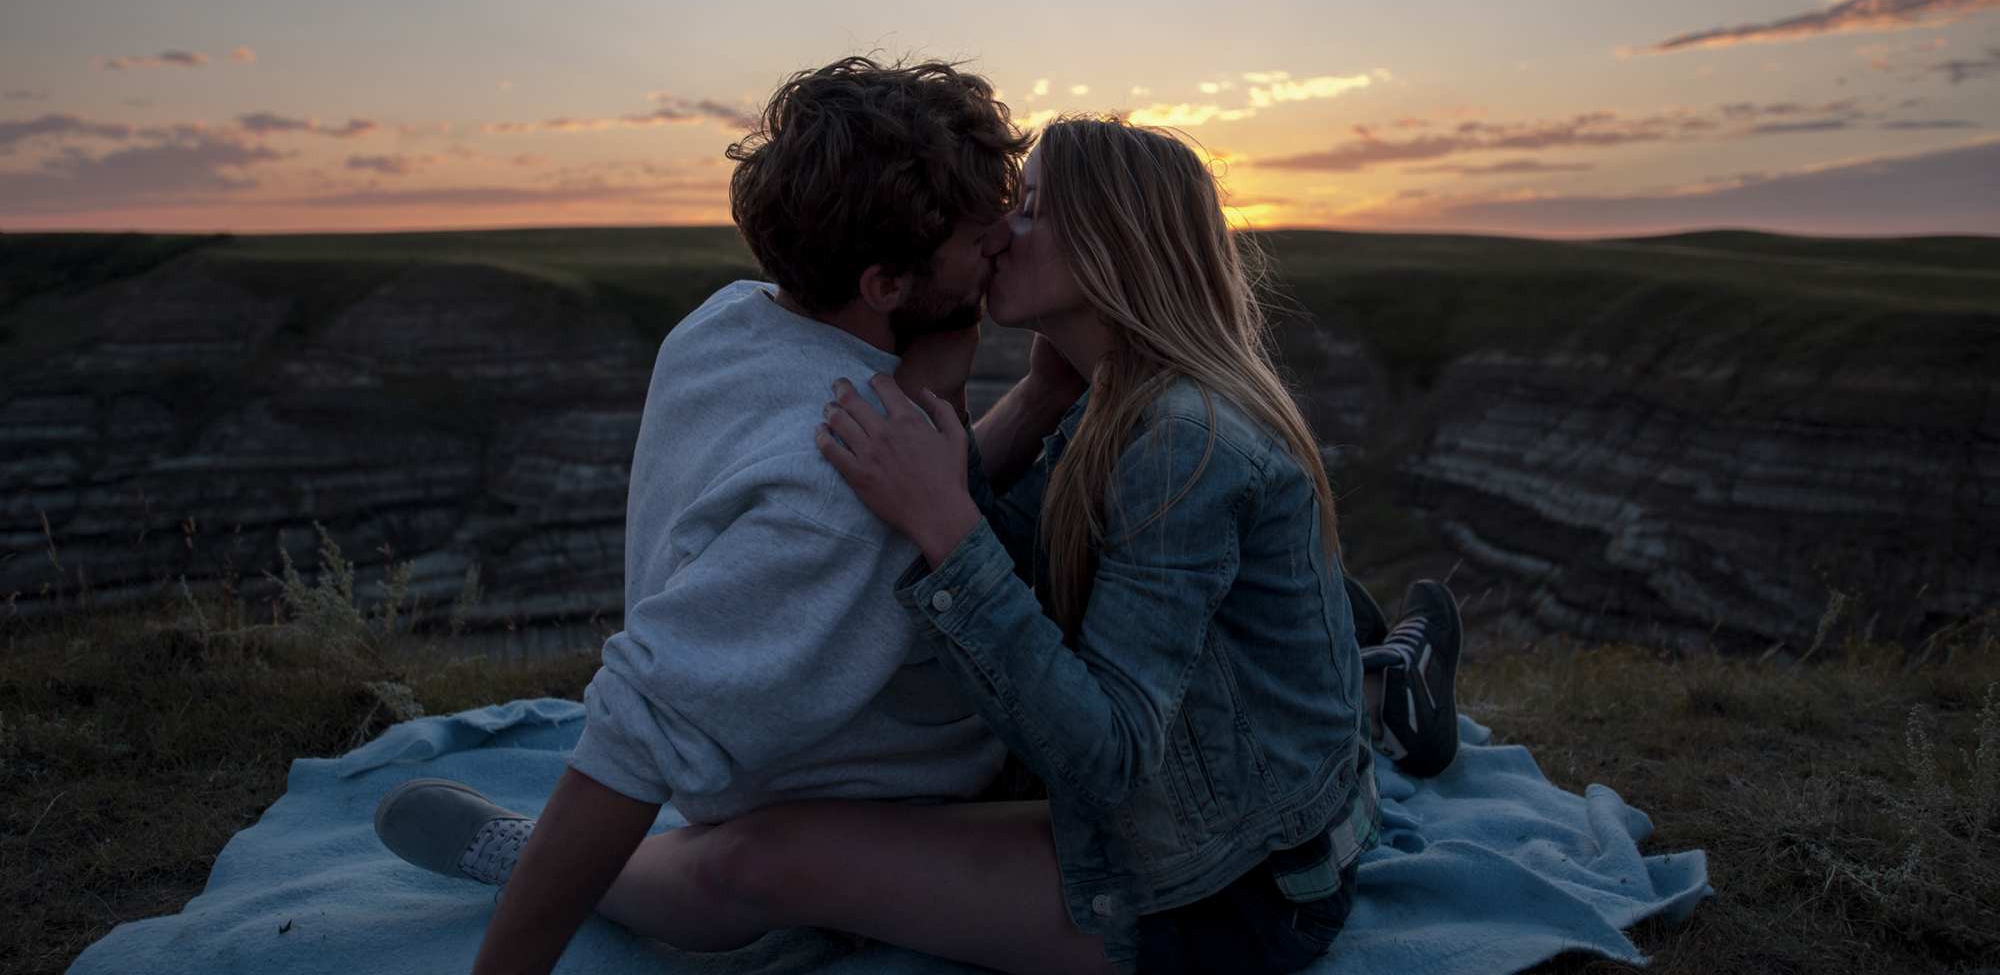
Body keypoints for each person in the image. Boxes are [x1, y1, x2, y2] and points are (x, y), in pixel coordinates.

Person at [378, 104, 1464, 975]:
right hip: (1203, 810)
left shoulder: (1185, 443)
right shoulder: (1103, 396)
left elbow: (1114, 755)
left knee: (757, 863)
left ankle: (570, 871)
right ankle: (1379, 678)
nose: (1002, 232)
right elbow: (1041, 576)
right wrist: (977, 422)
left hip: (1218, 900)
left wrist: (943, 515)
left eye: (1030, 209)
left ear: (1115, 247)